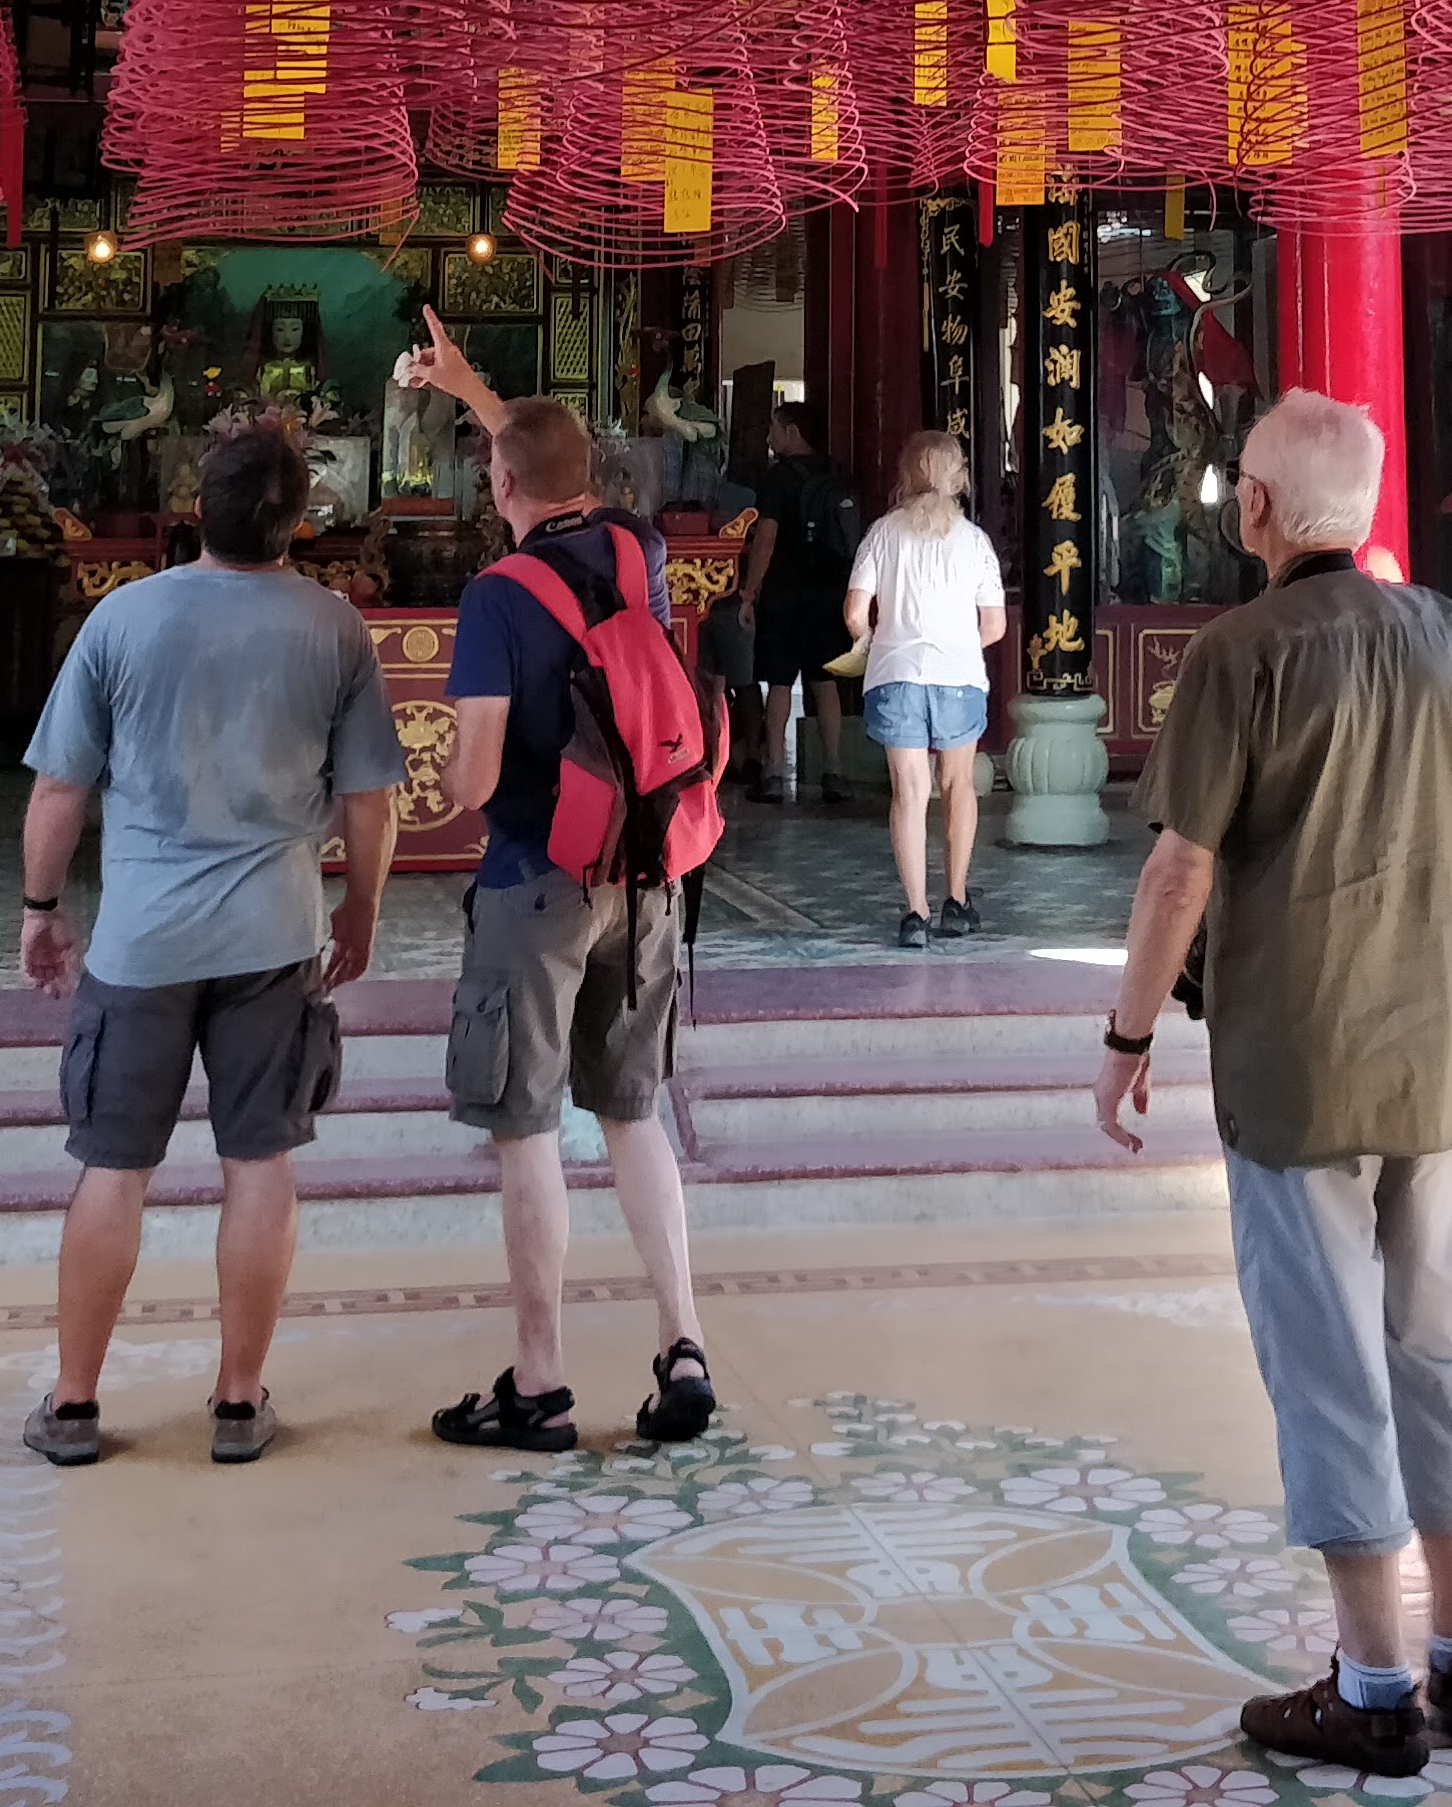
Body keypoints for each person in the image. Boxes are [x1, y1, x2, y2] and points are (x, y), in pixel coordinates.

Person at [1093, 387, 1452, 1775]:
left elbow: (1179, 868)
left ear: (1260, 511)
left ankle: (1372, 1679)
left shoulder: (1241, 651)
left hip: (1298, 1061)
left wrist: (1128, 1034)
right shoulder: (1447, 634)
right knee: (1438, 1339)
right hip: (1443, 1053)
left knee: (1332, 1359)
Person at [15, 421, 401, 1470]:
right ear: (298, 523)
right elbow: (369, 800)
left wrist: (41, 906)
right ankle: (237, 1401)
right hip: (276, 932)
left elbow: (60, 788)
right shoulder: (334, 627)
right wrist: (361, 909)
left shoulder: (122, 619)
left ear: (195, 508)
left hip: (140, 942)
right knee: (260, 1161)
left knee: (112, 1166)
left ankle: (75, 1401)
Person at [391, 309, 719, 1454]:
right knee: (633, 1114)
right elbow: (541, 454)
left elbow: (476, 777)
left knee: (527, 1127)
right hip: (651, 872)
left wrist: (430, 788)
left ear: (495, 486)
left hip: (538, 881)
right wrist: (481, 394)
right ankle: (683, 1344)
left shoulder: (495, 598)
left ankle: (540, 1383)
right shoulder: (643, 551)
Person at [841, 428, 1008, 945]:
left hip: (896, 676)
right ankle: (956, 901)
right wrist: (957, 647)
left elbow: (853, 612)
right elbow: (995, 626)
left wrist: (872, 639)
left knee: (909, 793)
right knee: (959, 786)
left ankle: (915, 914)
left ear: (905, 475)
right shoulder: (974, 541)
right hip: (959, 678)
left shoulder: (882, 534)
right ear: (958, 479)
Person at [745, 407, 855, 789]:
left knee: (779, 682)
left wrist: (749, 591)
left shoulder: (778, 478)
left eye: (773, 430)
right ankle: (834, 769)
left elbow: (766, 537)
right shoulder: (834, 471)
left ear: (792, 432)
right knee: (825, 681)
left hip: (784, 592)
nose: (769, 439)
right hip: (828, 591)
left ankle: (774, 769)